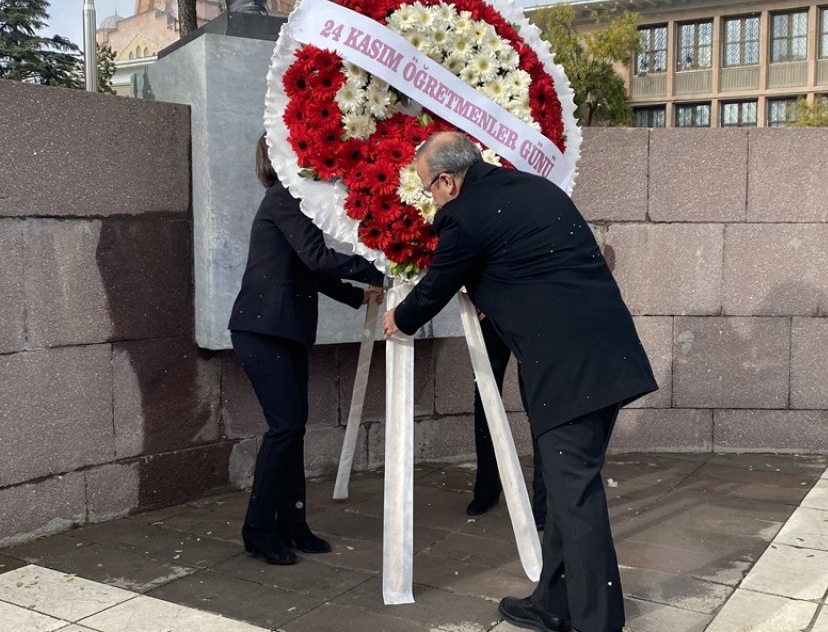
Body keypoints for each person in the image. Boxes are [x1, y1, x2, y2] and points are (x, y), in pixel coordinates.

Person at [382, 132, 657, 632]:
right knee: (563, 486)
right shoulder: (535, 188)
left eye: (429, 189)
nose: (432, 199)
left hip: (568, 370)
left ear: (447, 181)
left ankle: (599, 623)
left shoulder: (465, 214)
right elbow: (535, 264)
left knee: (574, 497)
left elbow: (438, 285)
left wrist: (399, 318)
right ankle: (553, 601)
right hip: (610, 355)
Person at [230, 133, 385, 565]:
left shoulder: (296, 203)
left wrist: (358, 295)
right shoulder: (284, 199)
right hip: (262, 330)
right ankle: (259, 531)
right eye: (303, 155)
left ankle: (293, 525)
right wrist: (378, 268)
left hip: (284, 330)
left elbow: (309, 269)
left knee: (292, 428)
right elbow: (318, 258)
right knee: (285, 428)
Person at [467, 320, 547, 531]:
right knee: (486, 396)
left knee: (538, 401)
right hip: (491, 309)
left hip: (530, 311)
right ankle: (487, 487)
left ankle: (544, 501)